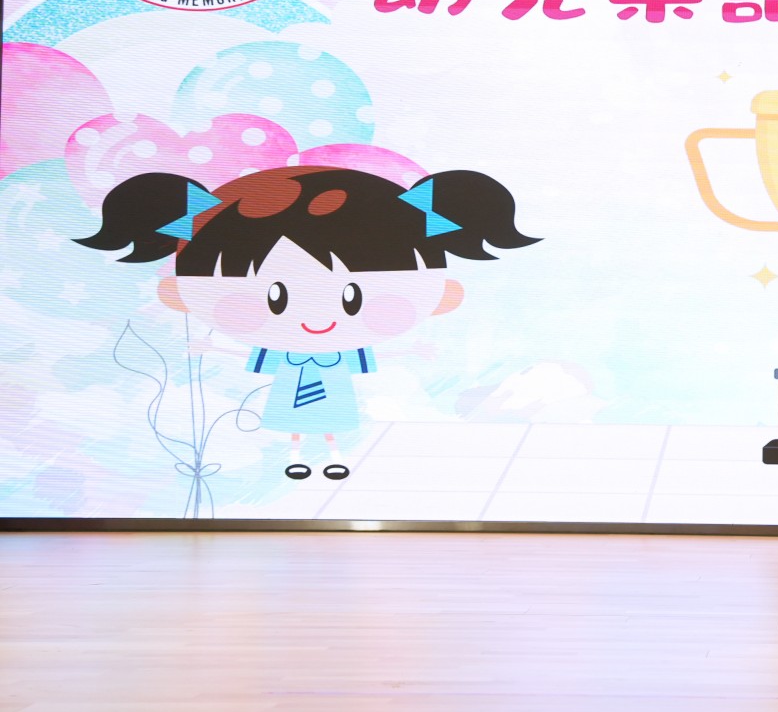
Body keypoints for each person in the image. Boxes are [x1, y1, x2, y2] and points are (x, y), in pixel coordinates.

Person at [78, 165, 538, 480]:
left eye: (352, 298)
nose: (317, 319)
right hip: (291, 394)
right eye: (275, 299)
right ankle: (298, 457)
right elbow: (245, 353)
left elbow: (378, 356)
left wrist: (412, 351)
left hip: (332, 394)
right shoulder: (285, 350)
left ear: (444, 295)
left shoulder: (341, 351)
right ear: (176, 294)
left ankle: (332, 457)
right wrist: (211, 347)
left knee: (331, 424)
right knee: (297, 426)